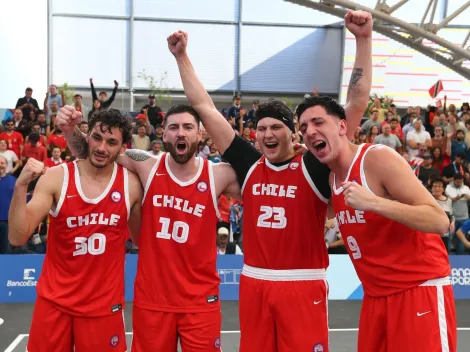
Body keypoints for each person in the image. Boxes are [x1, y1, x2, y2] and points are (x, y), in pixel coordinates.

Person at [169, 9, 372, 351]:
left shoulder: (315, 163)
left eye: (276, 126)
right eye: (261, 129)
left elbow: (355, 103)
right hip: (254, 281)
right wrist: (181, 56)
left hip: (302, 282)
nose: (267, 134)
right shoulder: (249, 164)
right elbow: (203, 106)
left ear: (293, 132)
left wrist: (363, 39)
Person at [56, 104, 242, 352]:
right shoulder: (147, 165)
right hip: (152, 300)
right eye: (173, 128)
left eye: (188, 127)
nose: (181, 133)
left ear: (200, 134)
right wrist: (70, 130)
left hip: (200, 300)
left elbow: (263, 187)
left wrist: (295, 157)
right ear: (163, 134)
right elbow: (96, 152)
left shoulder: (218, 175)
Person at [297, 96, 456, 352]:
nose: (310, 131)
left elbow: (440, 220)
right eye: (303, 128)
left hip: (417, 290)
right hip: (375, 298)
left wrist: (374, 202)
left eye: (318, 122)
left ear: (341, 127)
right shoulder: (330, 181)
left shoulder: (376, 158)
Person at [9, 109, 143, 352]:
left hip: (103, 307)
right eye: (97, 138)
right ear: (87, 136)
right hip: (54, 302)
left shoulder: (131, 185)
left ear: (123, 147)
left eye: (112, 142)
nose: (102, 148)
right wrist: (20, 185)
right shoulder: (57, 177)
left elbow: (142, 241)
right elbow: (17, 236)